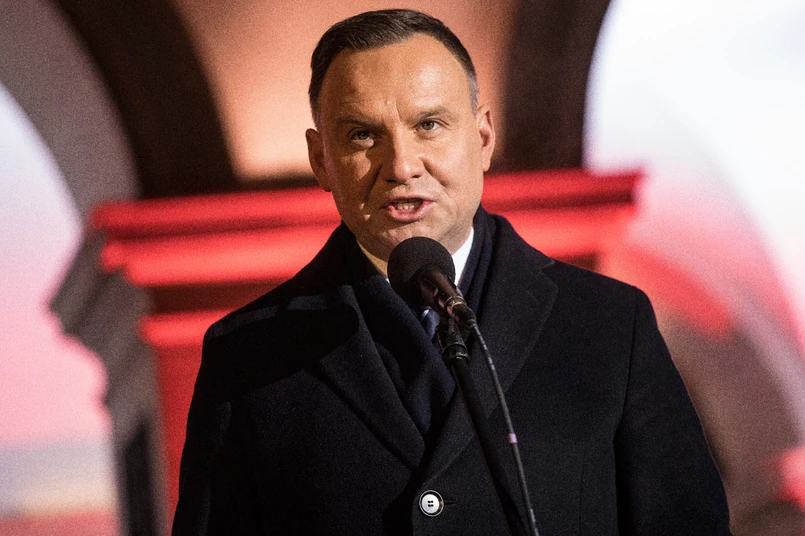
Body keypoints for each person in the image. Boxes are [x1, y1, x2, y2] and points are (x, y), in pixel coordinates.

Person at [172, 9, 731, 535]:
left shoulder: (608, 327)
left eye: (429, 125)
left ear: (483, 138)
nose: (401, 165)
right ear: (321, 160)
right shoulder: (247, 357)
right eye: (363, 135)